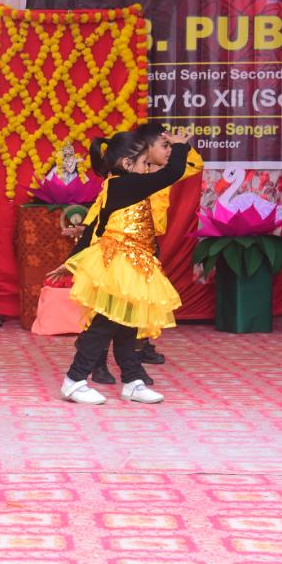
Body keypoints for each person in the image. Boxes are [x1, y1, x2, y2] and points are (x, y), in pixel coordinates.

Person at [52, 126, 193, 405]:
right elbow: (172, 173)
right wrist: (179, 145)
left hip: (133, 263)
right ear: (128, 164)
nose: (148, 170)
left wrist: (71, 261)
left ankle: (132, 380)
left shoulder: (117, 186)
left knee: (128, 324)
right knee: (105, 324)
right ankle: (74, 380)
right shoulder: (127, 185)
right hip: (120, 265)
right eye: (144, 163)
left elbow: (95, 227)